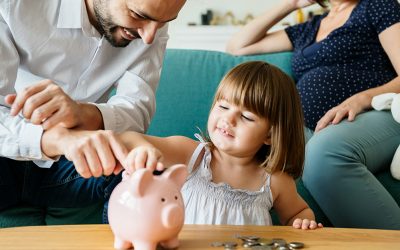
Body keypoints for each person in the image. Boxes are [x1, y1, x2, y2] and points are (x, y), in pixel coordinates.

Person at [0, 0, 186, 221]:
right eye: (137, 15)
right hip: (7, 157)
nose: (148, 37)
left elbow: (137, 112)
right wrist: (58, 139)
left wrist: (82, 113)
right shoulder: (13, 5)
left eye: (164, 23)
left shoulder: (152, 25)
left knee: (142, 171)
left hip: (72, 167)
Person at [226, 0, 400, 229]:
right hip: (312, 126)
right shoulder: (310, 27)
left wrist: (361, 100)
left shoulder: (378, 6)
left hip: (374, 112)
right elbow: (237, 46)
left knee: (323, 154)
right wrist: (292, 4)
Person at [109, 61, 323, 228]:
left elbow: (298, 213)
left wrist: (302, 221)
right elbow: (127, 139)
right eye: (223, 106)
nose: (228, 120)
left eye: (247, 117)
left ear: (270, 135)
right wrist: (143, 149)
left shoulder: (274, 180)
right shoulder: (191, 155)